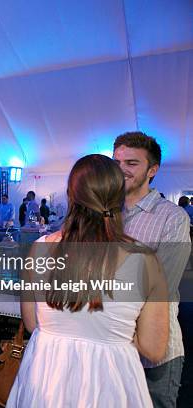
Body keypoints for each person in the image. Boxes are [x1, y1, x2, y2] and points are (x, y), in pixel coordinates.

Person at [8, 154, 168, 407]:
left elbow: (31, 322)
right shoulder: (145, 260)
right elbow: (155, 349)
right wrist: (116, 333)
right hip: (112, 379)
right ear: (119, 196)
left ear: (71, 196)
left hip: (47, 377)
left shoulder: (39, 249)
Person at [113, 132, 191, 407]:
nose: (121, 169)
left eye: (131, 163)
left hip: (152, 351)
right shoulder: (105, 215)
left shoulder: (172, 218)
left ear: (152, 170)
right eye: (117, 161)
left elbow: (161, 288)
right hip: (111, 347)